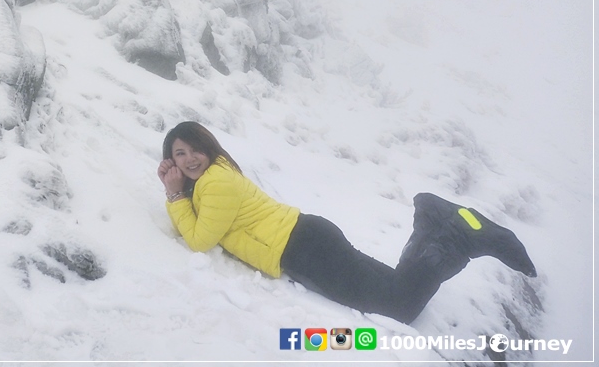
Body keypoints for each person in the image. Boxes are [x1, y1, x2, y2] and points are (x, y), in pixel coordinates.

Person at [157, 121, 536, 324]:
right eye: (180, 154)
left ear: (208, 149)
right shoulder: (216, 176)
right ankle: (432, 224)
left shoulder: (214, 182)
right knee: (394, 286)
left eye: (194, 150)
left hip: (303, 249)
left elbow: (200, 240)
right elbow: (204, 228)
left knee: (400, 305)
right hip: (307, 238)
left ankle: (457, 234)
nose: (189, 159)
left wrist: (175, 195)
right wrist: (181, 194)